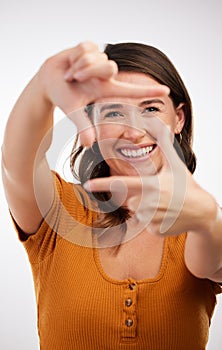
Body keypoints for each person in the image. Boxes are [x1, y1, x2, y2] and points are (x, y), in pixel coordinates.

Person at [2, 41, 222, 350]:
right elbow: (16, 163)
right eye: (115, 112)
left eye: (151, 109)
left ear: (179, 119)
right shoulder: (59, 212)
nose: (134, 132)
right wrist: (41, 86)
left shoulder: (201, 222)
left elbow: (211, 263)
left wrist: (210, 220)